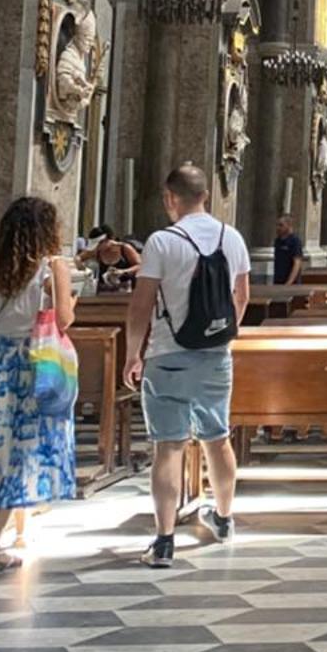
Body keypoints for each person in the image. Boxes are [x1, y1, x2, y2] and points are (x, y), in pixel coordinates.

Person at [123, 163, 250, 567]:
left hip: (167, 353)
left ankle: (163, 541)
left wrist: (132, 353)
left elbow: (141, 303)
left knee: (169, 446)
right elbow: (242, 296)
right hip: (215, 354)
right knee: (217, 437)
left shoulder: (162, 242)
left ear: (170, 198)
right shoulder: (233, 237)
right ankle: (225, 519)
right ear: (206, 196)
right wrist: (223, 334)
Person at [0, 196, 78, 570]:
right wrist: (69, 300)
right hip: (32, 362)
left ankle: (20, 531)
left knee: (5, 446)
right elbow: (64, 319)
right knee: (23, 449)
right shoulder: (51, 267)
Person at [87, 227, 141, 292]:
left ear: (106, 240)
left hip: (125, 291)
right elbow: (81, 257)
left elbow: (140, 266)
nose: (97, 248)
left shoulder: (124, 248)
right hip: (104, 292)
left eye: (98, 245)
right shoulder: (97, 252)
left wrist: (123, 271)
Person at [272, 213, 304, 287]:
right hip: (278, 282)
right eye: (277, 225)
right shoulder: (277, 241)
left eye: (281, 225)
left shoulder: (295, 241)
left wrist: (289, 283)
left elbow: (297, 263)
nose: (278, 228)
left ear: (289, 226)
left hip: (292, 284)